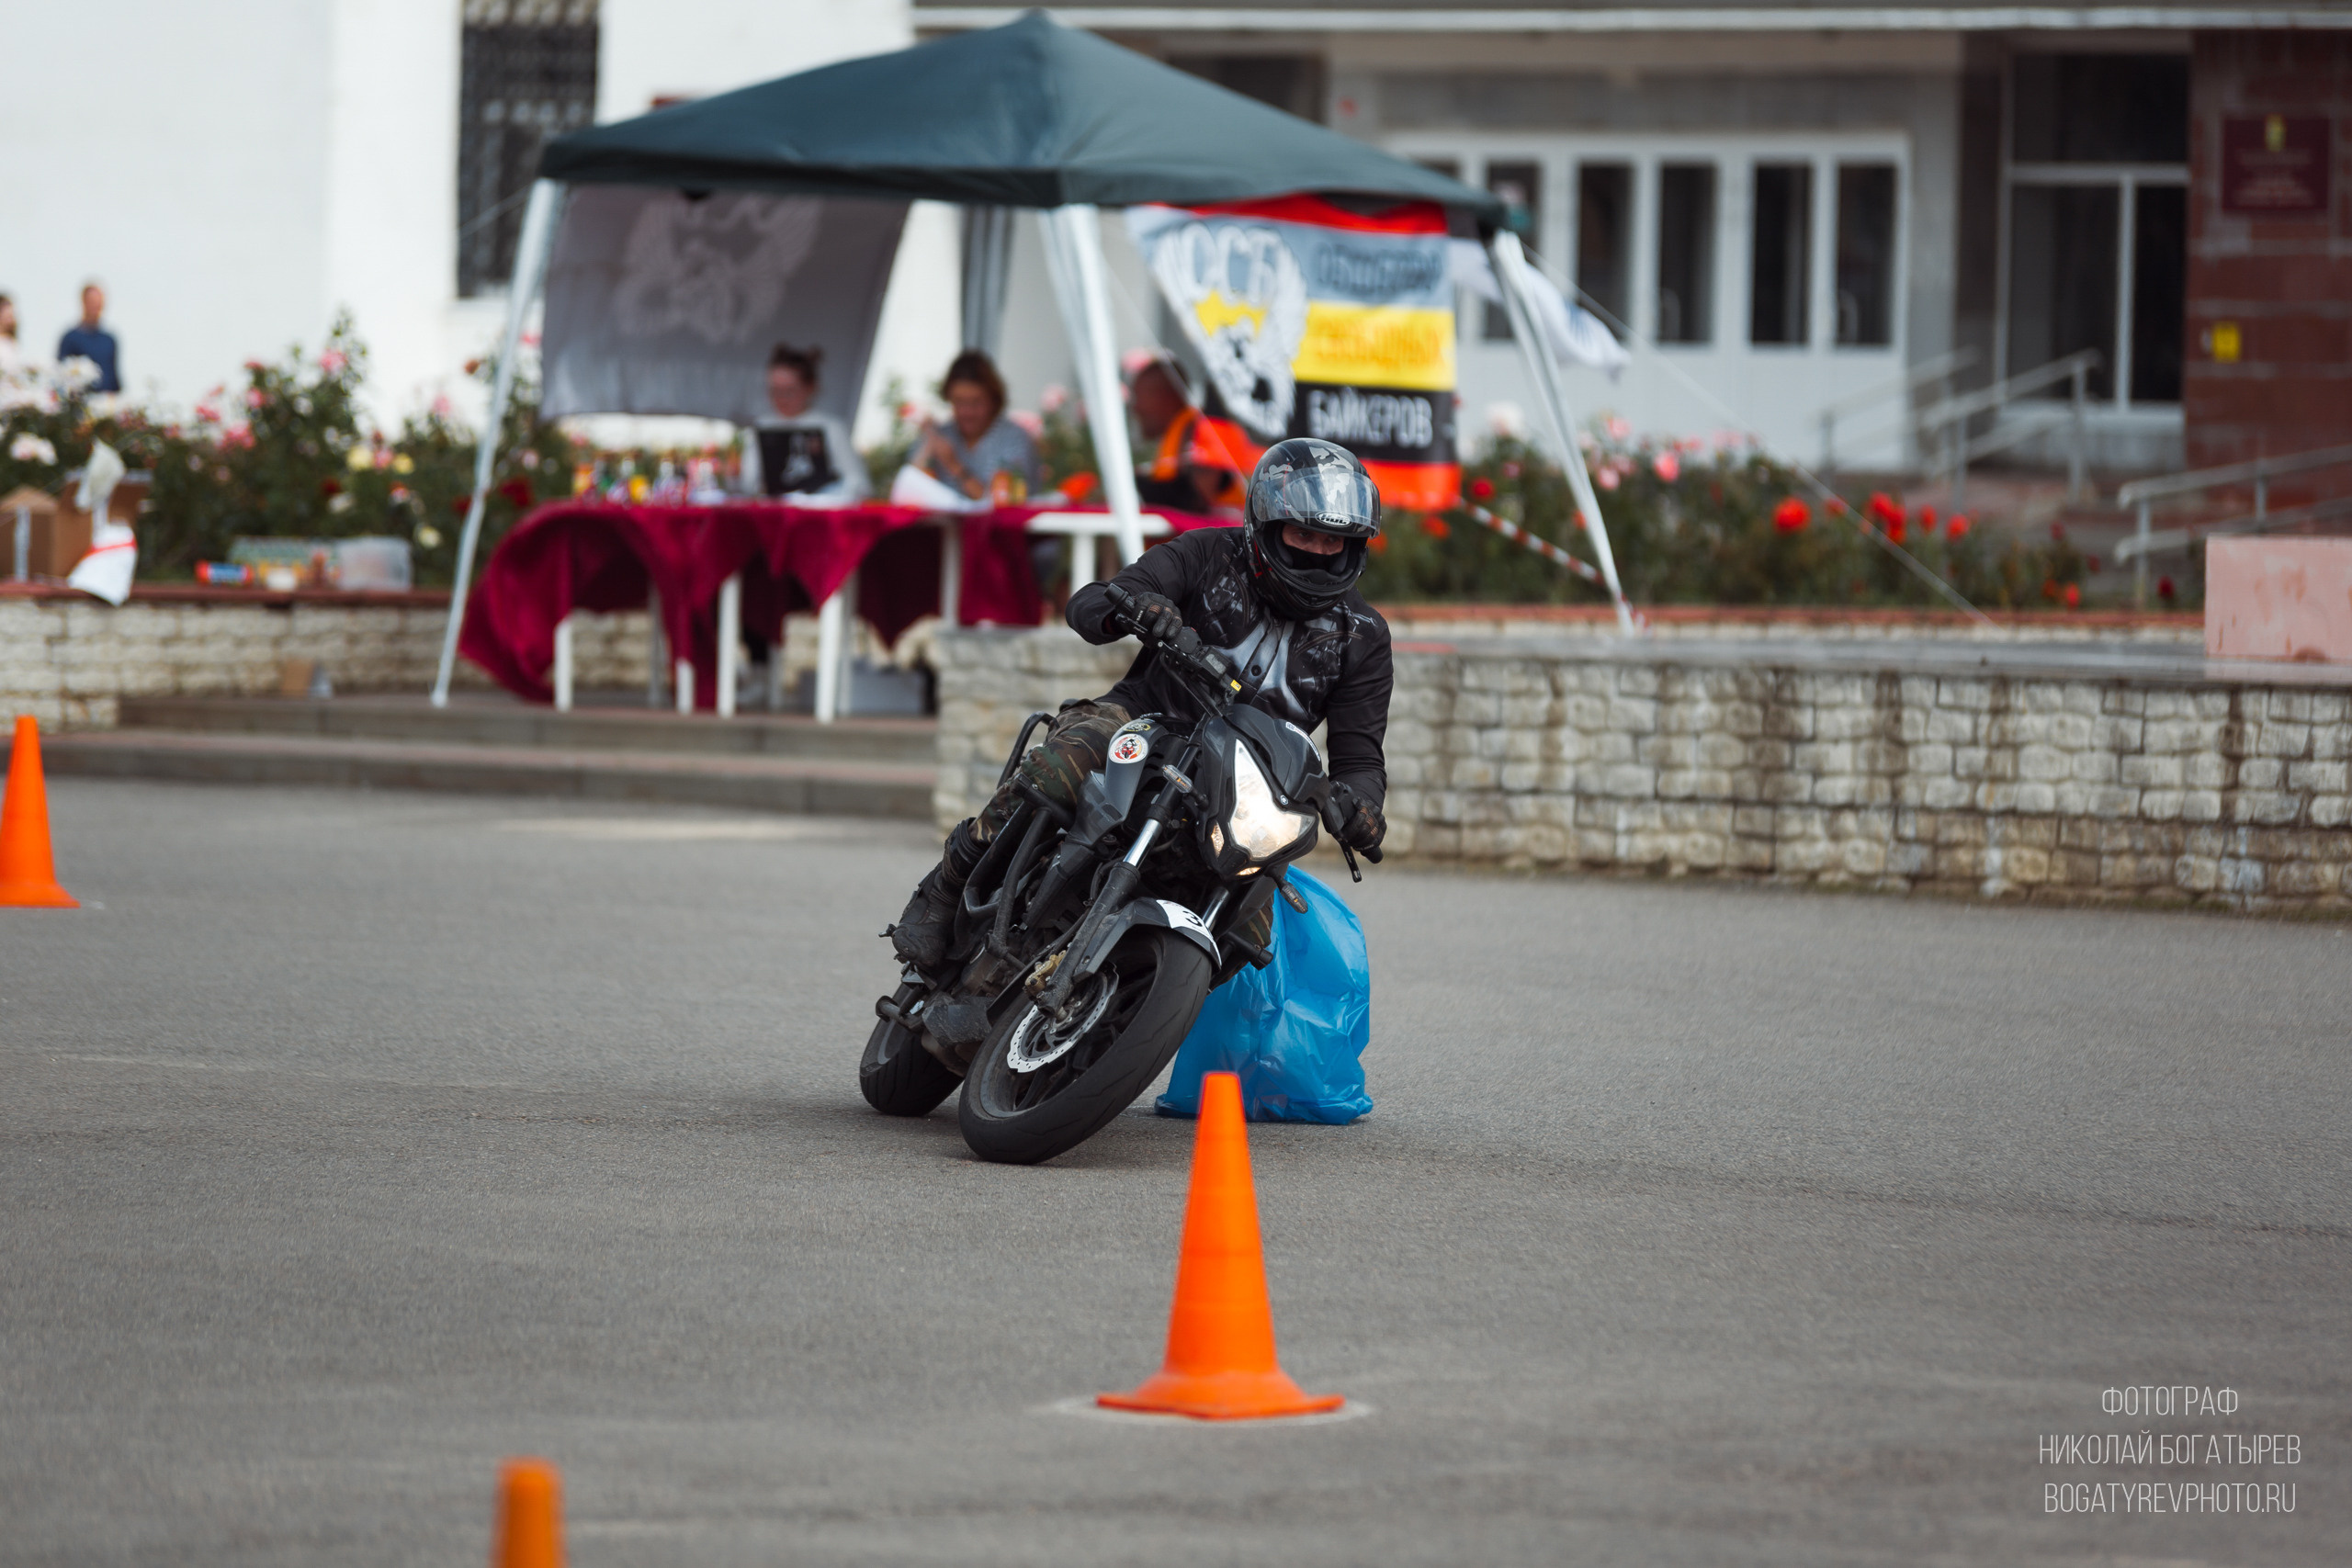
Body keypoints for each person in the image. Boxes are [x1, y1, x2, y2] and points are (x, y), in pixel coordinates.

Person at [888, 436, 1393, 983]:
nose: (1319, 552)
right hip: (1148, 725)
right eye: (1304, 534)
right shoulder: (1205, 554)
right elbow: (1091, 603)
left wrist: (1361, 808)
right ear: (1266, 525)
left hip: (1245, 788)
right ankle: (944, 887)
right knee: (1060, 769)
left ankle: (1117, 1020)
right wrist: (1139, 607)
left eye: (1333, 540)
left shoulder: (1363, 637)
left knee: (1249, 937)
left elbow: (1359, 758)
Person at [740, 343, 868, 502]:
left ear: (810, 388)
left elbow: (858, 483)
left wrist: (827, 497)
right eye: (775, 391)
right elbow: (748, 483)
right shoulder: (762, 426)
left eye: (789, 391)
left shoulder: (831, 428)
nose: (781, 399)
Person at [915, 350, 1040, 502]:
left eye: (976, 402)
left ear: (993, 400)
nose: (967, 412)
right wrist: (926, 445)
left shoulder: (1013, 439)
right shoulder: (943, 435)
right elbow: (909, 496)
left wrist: (955, 467)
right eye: (959, 402)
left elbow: (1003, 507)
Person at [1128, 353, 1244, 514]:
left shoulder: (1198, 429)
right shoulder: (1177, 432)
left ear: (1165, 397)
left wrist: (1134, 484)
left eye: (1138, 397)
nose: (1136, 408)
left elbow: (1198, 498)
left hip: (1225, 533)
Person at [56, 282, 119, 393]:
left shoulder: (109, 340)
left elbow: (113, 376)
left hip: (106, 403)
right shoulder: (70, 338)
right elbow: (61, 373)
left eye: (99, 304)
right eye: (92, 303)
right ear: (83, 303)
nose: (96, 308)